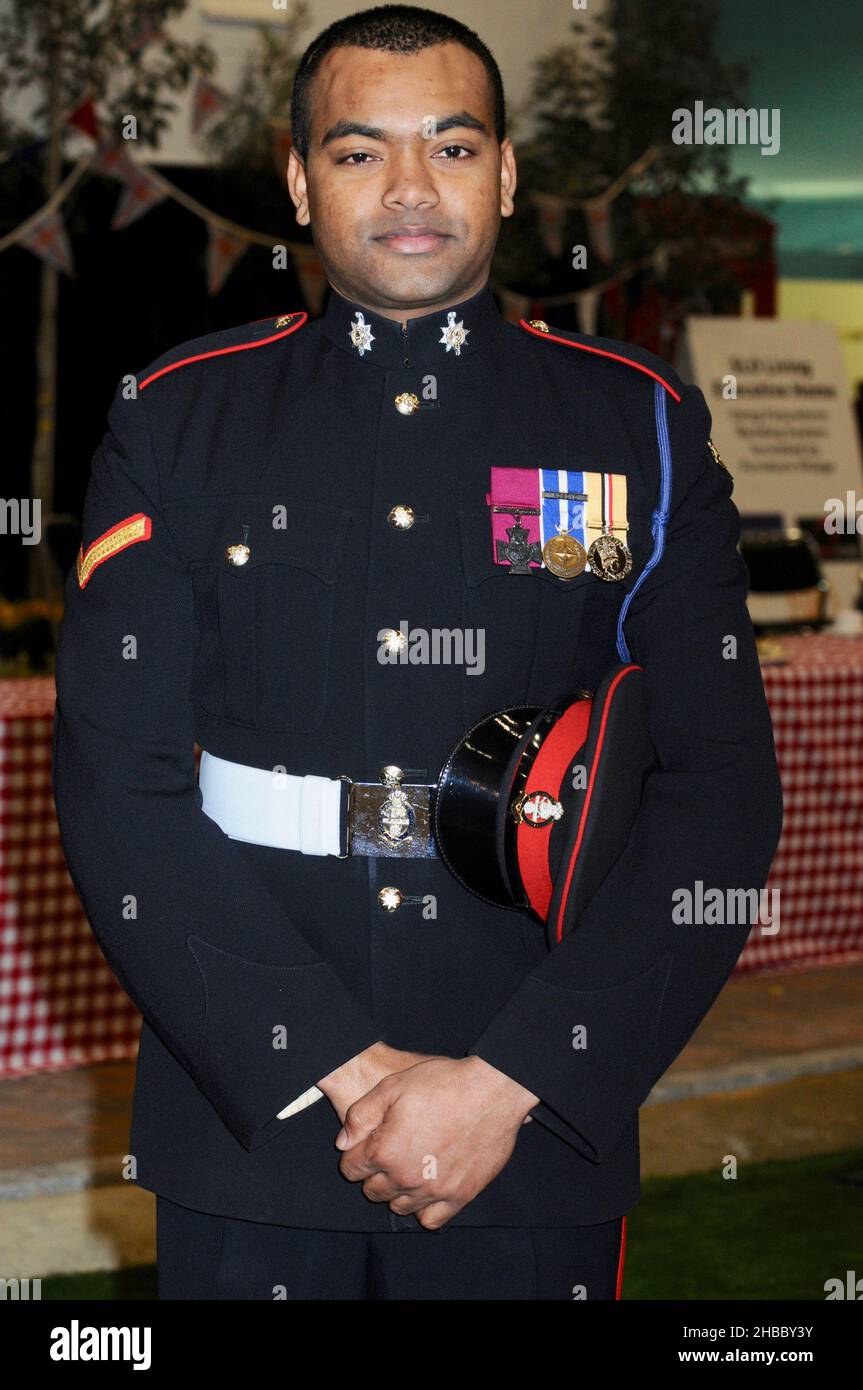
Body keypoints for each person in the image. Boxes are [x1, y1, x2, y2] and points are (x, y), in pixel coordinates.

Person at [52, 4, 783, 1301]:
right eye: (356, 150)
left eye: (450, 147)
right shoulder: (177, 419)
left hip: (532, 1132)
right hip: (253, 1128)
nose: (408, 189)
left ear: (505, 172)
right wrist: (337, 1060)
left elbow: (718, 792)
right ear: (295, 180)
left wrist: (516, 1077)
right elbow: (121, 788)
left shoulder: (640, 426)